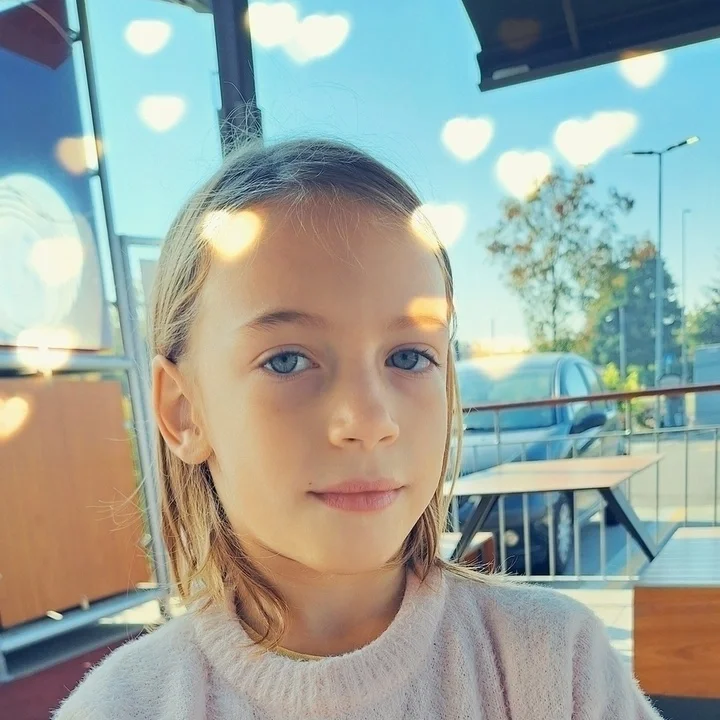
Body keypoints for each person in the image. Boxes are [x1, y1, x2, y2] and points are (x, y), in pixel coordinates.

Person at [55, 138, 662, 720]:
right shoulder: (121, 708)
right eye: (286, 360)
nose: (370, 421)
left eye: (409, 357)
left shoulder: (557, 665)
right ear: (184, 411)